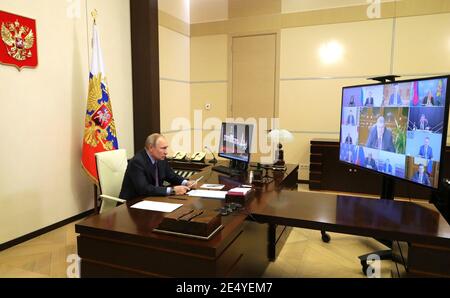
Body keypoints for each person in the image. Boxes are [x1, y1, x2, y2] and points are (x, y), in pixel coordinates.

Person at [119, 133, 196, 200]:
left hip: (155, 199)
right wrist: (172, 190)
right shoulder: (137, 162)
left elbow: (171, 176)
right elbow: (144, 189)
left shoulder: (160, 158)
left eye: (166, 148)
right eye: (163, 148)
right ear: (151, 148)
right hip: (133, 203)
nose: (166, 152)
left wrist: (186, 182)